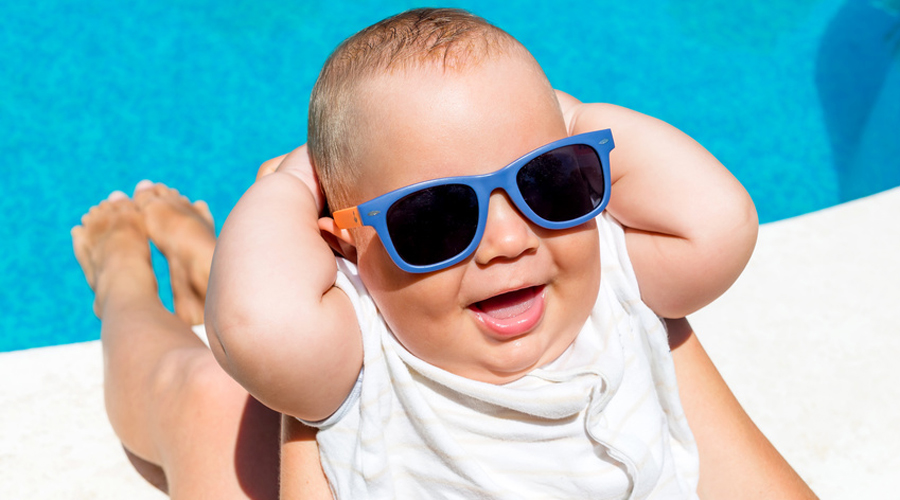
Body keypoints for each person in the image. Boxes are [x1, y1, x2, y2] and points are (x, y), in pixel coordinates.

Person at [71, 7, 816, 500]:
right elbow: (261, 329)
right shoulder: (363, 340)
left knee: (218, 388)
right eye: (433, 219)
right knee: (195, 391)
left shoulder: (608, 269)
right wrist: (300, 178)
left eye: (550, 180)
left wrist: (567, 119)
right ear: (346, 249)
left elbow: (720, 223)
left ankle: (204, 260)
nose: (508, 240)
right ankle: (124, 282)